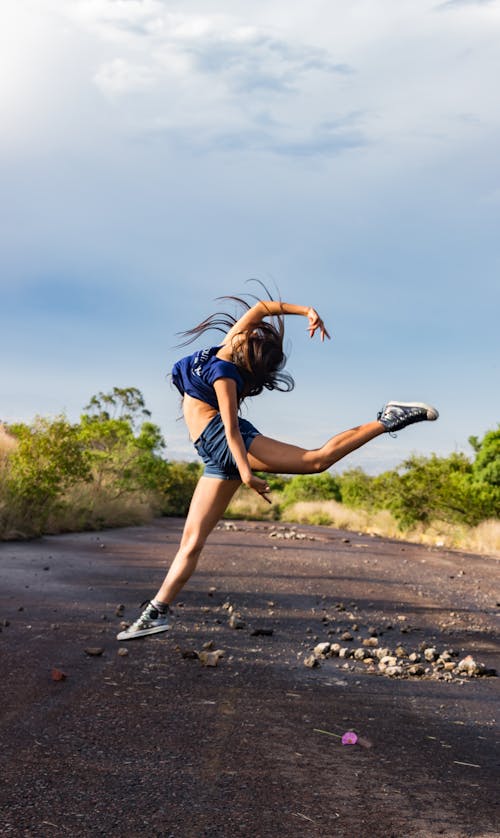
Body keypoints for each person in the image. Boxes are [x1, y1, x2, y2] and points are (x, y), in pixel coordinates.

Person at [117, 293, 438, 640]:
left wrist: (245, 473)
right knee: (191, 542)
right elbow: (262, 309)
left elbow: (232, 430)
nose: (248, 330)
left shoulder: (224, 372)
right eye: (250, 332)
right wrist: (307, 311)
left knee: (316, 460)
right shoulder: (224, 347)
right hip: (212, 453)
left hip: (223, 442)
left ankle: (388, 419)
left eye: (250, 334)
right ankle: (155, 613)